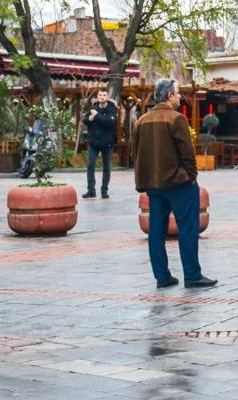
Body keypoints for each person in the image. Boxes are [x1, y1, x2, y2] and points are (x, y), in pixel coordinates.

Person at [131, 78, 217, 290]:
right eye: (178, 93)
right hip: (179, 184)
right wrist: (191, 176)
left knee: (156, 232)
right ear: (170, 96)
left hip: (154, 184)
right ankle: (192, 275)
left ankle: (162, 276)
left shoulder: (141, 121)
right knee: (187, 229)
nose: (179, 97)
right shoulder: (176, 119)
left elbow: (136, 154)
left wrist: (145, 180)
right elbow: (187, 153)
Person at [82, 88, 118, 199]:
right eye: (100, 95)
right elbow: (84, 120)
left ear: (107, 97)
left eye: (104, 95)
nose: (102, 97)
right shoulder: (94, 107)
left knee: (106, 167)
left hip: (107, 143)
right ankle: (91, 190)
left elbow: (109, 123)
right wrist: (90, 118)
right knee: (90, 165)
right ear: (98, 96)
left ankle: (104, 190)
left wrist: (96, 116)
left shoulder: (112, 109)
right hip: (93, 142)